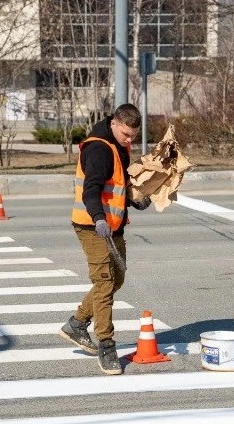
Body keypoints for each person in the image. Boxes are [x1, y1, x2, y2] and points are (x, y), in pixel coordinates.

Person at [59, 103, 152, 375]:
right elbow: (91, 190)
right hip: (92, 225)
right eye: (126, 134)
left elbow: (119, 186)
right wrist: (99, 218)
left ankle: (77, 324)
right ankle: (107, 345)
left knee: (117, 278)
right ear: (114, 124)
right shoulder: (99, 149)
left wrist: (136, 202)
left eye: (133, 136)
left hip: (113, 226)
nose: (130, 140)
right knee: (104, 282)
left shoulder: (118, 146)